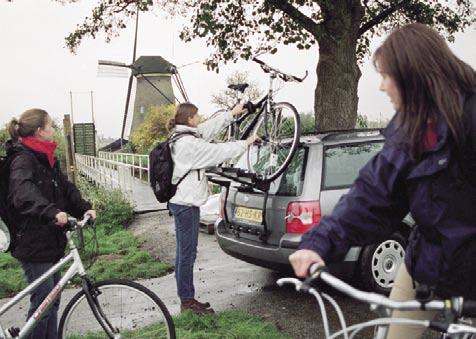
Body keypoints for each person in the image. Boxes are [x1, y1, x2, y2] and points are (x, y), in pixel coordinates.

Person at [289, 23, 475, 339]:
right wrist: (318, 243)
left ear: (412, 76)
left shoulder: (470, 118)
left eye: (386, 76)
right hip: (425, 269)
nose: (382, 87)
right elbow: (372, 196)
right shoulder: (408, 130)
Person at [6, 108, 96, 339]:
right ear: (39, 131)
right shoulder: (23, 159)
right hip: (33, 242)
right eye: (50, 126)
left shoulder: (46, 157)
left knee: (50, 304)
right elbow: (22, 192)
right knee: (42, 308)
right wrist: (52, 212)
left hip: (49, 240)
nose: (53, 130)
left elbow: (64, 188)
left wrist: (84, 207)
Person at [167, 102, 258, 314]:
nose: (199, 119)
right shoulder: (188, 144)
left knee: (184, 252)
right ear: (189, 119)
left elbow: (208, 128)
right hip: (185, 204)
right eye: (197, 116)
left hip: (183, 201)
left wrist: (232, 114)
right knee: (187, 253)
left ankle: (186, 296)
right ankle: (187, 301)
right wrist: (246, 143)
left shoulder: (182, 135)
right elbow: (218, 151)